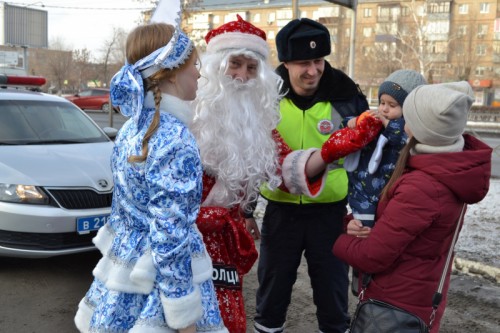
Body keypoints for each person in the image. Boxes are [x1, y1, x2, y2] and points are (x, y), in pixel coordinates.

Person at [74, 23, 228, 333]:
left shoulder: (132, 129)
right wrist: (183, 317)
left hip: (126, 277)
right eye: (193, 65)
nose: (199, 74)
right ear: (171, 72)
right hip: (159, 286)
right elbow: (170, 233)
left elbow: (123, 211)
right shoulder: (174, 137)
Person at [333, 81, 492, 333]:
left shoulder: (422, 187)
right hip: (418, 296)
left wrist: (335, 236)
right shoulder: (448, 166)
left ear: (421, 127)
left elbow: (372, 256)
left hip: (395, 304)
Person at [254, 18, 372, 333]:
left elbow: (370, 161)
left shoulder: (347, 95)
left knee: (334, 300)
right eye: (303, 63)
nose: (313, 70)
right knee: (271, 297)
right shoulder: (265, 96)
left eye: (318, 61)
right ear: (286, 63)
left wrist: (366, 214)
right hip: (281, 212)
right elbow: (248, 156)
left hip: (331, 214)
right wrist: (245, 208)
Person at [191, 15, 283, 333]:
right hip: (181, 248)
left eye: (251, 68)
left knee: (227, 320)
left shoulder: (258, 125)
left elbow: (289, 165)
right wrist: (204, 217)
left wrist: (332, 150)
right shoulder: (187, 117)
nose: (242, 77)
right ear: (216, 67)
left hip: (228, 248)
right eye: (235, 64)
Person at [343, 69, 427, 228]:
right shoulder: (377, 119)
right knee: (360, 224)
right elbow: (348, 131)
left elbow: (400, 137)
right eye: (382, 103)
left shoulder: (406, 128)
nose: (384, 109)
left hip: (385, 190)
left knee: (380, 226)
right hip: (360, 187)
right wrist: (353, 121)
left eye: (392, 105)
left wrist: (386, 123)